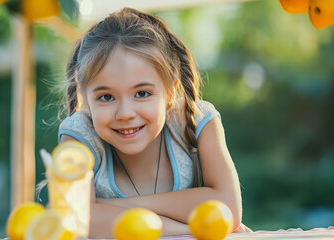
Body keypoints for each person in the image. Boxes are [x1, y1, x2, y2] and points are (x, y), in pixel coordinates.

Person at [55, 7, 250, 238]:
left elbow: (228, 208)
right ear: (86, 98)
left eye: (142, 93)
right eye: (106, 97)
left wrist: (110, 207)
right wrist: (190, 230)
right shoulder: (79, 136)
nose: (125, 113)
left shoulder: (198, 121)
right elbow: (76, 220)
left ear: (170, 92)